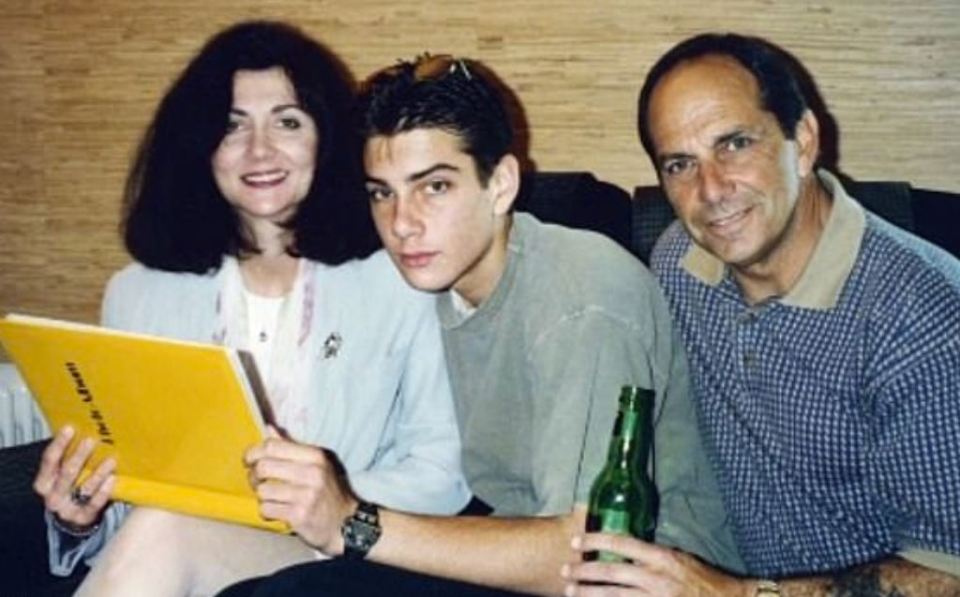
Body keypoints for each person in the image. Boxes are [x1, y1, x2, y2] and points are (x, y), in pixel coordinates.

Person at [218, 54, 741, 597]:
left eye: (435, 187)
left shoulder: (580, 298)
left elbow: (584, 551)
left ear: (501, 185)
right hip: (518, 544)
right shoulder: (437, 285)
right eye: (383, 193)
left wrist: (353, 522)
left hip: (642, 573)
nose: (402, 224)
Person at [30, 21, 470, 596]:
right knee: (161, 527)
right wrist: (76, 514)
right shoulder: (137, 295)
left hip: (336, 558)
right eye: (232, 127)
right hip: (179, 556)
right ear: (201, 146)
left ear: (326, 139)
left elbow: (444, 472)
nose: (259, 151)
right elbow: (134, 495)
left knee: (165, 531)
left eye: (288, 123)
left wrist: (332, 500)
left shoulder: (401, 279)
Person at [563, 33, 960, 596]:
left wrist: (737, 594)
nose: (711, 190)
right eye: (680, 164)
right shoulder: (680, 265)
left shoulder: (925, 319)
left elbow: (947, 576)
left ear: (803, 141)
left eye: (734, 144)